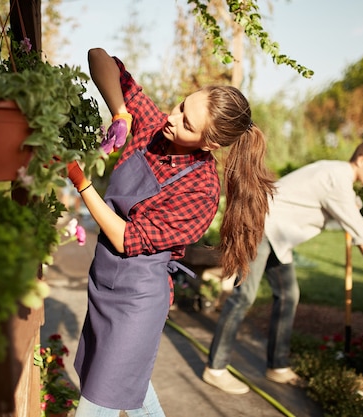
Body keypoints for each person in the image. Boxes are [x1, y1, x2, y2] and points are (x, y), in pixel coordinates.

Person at [64, 47, 275, 416]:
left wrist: (80, 181)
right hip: (105, 281)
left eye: (188, 124)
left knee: (97, 403)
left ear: (209, 144)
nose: (173, 119)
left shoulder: (202, 191)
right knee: (131, 387)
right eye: (181, 107)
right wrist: (121, 113)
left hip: (137, 300)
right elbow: (101, 58)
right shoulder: (154, 127)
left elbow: (126, 238)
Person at [203, 138, 363, 392]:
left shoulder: (336, 174)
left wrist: (351, 206)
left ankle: (277, 366)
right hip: (261, 227)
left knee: (289, 294)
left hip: (278, 236)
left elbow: (320, 211)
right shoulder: (337, 180)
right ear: (361, 160)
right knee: (243, 297)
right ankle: (215, 368)